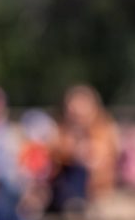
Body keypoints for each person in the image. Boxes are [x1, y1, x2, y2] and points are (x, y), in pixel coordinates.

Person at [50, 84, 120, 213]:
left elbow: (102, 158)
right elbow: (57, 154)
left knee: (80, 170)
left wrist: (84, 153)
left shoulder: (102, 128)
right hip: (64, 181)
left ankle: (75, 203)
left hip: (92, 183)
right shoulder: (62, 129)